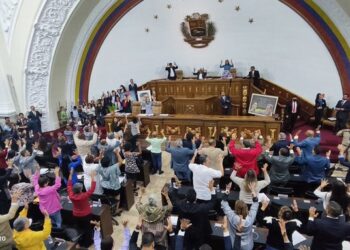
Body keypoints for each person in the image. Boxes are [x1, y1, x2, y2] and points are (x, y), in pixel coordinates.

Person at [170, 180, 216, 249]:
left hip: (184, 232)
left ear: (186, 197)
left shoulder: (180, 205)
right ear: (196, 198)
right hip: (198, 234)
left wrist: (176, 187)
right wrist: (212, 189)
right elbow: (212, 202)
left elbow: (173, 196)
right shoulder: (201, 208)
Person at [221, 182, 259, 250]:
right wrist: (253, 191)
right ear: (246, 208)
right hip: (247, 246)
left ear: (235, 208)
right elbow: (256, 203)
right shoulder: (250, 218)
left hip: (234, 243)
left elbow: (223, 203)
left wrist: (227, 191)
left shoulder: (232, 216)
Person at [67, 168, 96, 248]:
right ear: (80, 189)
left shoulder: (71, 195)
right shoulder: (84, 196)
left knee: (79, 228)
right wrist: (93, 177)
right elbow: (92, 188)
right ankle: (87, 243)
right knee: (87, 229)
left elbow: (69, 184)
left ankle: (80, 241)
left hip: (76, 214)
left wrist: (71, 174)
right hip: (86, 215)